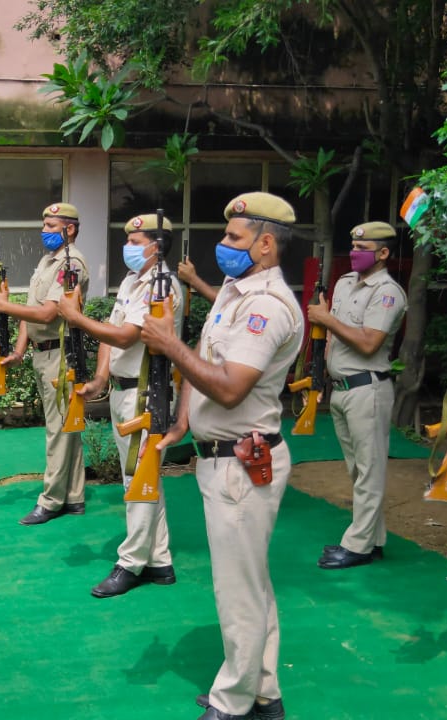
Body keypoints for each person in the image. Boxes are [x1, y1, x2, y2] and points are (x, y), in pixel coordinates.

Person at [141, 192, 302, 720]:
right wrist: (184, 418)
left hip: (241, 464)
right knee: (250, 582)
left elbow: (230, 387)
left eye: (235, 238)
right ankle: (263, 692)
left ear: (266, 244)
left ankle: (233, 702)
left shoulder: (266, 306)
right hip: (224, 458)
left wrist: (168, 346)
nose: (223, 246)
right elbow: (207, 359)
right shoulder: (235, 292)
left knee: (238, 590)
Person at [57, 213, 182, 597]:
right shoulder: (132, 281)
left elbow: (128, 337)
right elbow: (111, 340)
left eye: (135, 239)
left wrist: (76, 318)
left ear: (156, 246)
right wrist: (98, 378)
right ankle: (159, 560)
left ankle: (131, 562)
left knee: (138, 478)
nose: (127, 245)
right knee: (144, 477)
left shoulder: (162, 287)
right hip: (124, 390)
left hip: (146, 391)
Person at [310, 222, 407, 569]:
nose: (355, 251)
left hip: (368, 389)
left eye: (363, 246)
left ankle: (358, 545)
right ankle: (373, 538)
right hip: (342, 389)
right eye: (352, 244)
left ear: (382, 253)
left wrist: (324, 318)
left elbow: (368, 342)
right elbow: (335, 337)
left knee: (369, 470)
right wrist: (320, 370)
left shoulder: (388, 292)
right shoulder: (345, 283)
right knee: (358, 470)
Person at [0, 202, 90, 525]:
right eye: (44, 225)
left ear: (69, 229)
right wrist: (19, 351)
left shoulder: (71, 264)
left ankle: (50, 500)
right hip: (42, 353)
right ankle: (73, 496)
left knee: (57, 430)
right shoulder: (48, 261)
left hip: (60, 355)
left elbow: (48, 313)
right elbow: (31, 312)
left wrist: (5, 306)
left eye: (50, 226)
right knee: (66, 427)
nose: (43, 231)